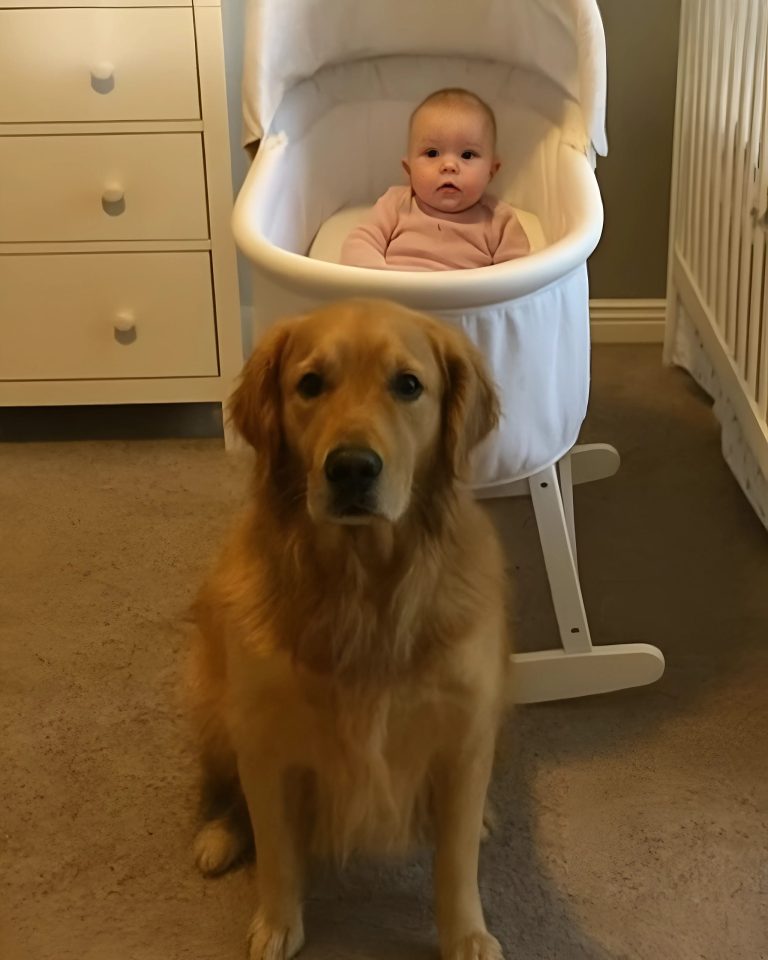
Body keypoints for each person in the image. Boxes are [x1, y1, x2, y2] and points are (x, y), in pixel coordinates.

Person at [340, 87, 530, 271]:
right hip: (396, 288)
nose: (449, 165)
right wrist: (377, 280)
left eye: (467, 155)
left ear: (491, 171)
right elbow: (360, 243)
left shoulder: (499, 219)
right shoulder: (395, 204)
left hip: (464, 293)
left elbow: (520, 276)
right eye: (432, 153)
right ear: (409, 169)